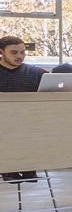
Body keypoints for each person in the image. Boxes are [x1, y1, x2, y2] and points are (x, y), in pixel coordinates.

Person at [1, 36, 47, 182]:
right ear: (1, 52)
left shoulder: (36, 72)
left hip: (29, 121)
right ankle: (9, 169)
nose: (19, 56)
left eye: (22, 52)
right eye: (14, 52)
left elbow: (56, 82)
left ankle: (29, 169)